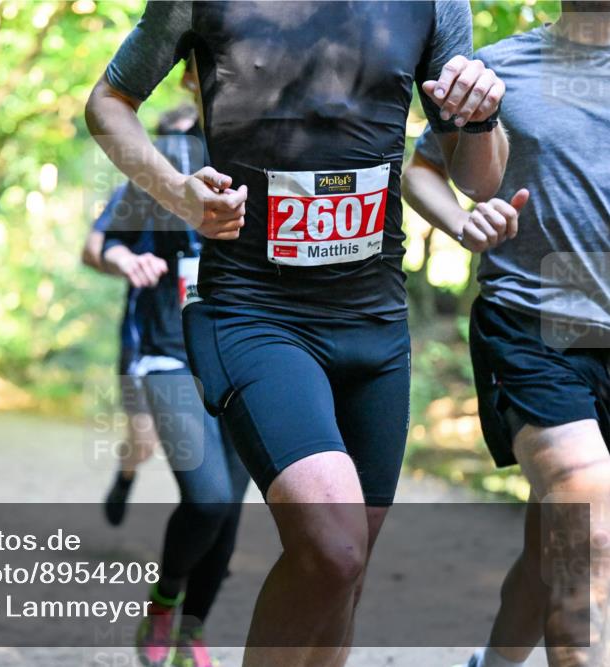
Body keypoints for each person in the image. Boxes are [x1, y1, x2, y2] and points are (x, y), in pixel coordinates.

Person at [86, 2, 509, 665]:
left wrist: (481, 115)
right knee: (334, 547)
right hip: (254, 312)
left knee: (346, 574)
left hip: (374, 323)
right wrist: (177, 193)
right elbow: (108, 103)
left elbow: (480, 177)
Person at [401, 4, 610, 665]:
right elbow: (422, 168)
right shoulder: (496, 69)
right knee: (586, 504)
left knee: (555, 544)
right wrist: (462, 222)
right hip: (534, 326)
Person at [101, 112, 249, 667]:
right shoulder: (159, 170)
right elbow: (105, 244)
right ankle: (163, 603)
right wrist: (127, 258)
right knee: (207, 498)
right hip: (167, 353)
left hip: (246, 357)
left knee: (230, 512)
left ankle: (192, 631)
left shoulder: (266, 160)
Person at [82, 182, 162, 526]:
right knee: (145, 441)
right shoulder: (140, 188)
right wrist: (126, 261)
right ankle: (125, 474)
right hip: (144, 336)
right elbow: (92, 250)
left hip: (209, 335)